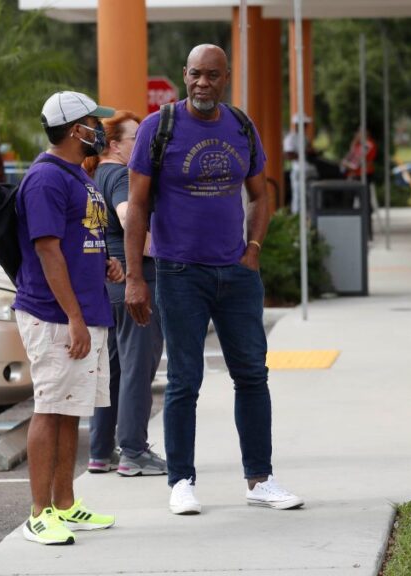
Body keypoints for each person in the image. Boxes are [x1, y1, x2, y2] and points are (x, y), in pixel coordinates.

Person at [124, 44, 304, 515]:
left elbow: (260, 195)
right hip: (179, 271)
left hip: (237, 274)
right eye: (196, 75)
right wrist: (135, 281)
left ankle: (260, 480)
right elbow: (138, 206)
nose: (203, 83)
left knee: (252, 375)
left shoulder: (241, 126)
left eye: (213, 76)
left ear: (226, 79)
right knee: (185, 379)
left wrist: (253, 251)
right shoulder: (157, 128)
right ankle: (181, 481)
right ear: (184, 75)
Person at [13, 90, 124, 545]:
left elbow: (79, 238)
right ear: (75, 129)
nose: (100, 129)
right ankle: (39, 513)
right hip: (54, 314)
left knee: (69, 410)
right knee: (49, 407)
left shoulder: (78, 176)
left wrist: (105, 264)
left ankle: (65, 503)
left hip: (83, 309)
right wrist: (74, 318)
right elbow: (47, 250)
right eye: (93, 123)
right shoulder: (45, 179)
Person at [82, 111, 167, 477]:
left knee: (112, 370)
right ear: (115, 145)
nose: (143, 146)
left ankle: (101, 452)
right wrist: (160, 246)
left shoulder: (96, 174)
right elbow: (128, 214)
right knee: (137, 368)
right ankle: (133, 450)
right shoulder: (118, 174)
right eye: (136, 139)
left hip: (108, 287)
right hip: (135, 282)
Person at [283, 114, 317, 214]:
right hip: (298, 171)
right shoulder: (291, 138)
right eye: (305, 124)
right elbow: (288, 155)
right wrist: (305, 153)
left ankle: (308, 220)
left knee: (309, 198)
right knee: (298, 198)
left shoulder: (304, 138)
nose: (306, 127)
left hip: (309, 171)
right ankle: (297, 220)